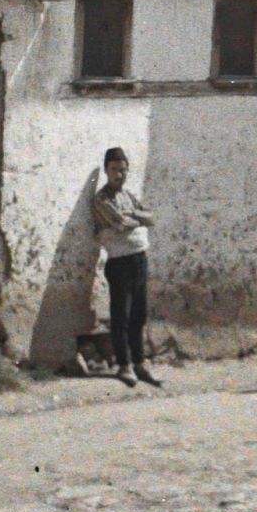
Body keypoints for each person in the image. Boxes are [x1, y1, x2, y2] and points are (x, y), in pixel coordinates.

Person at [92, 147, 161, 389]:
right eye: (114, 170)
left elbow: (151, 218)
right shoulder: (102, 199)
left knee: (139, 314)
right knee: (121, 315)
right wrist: (136, 219)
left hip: (139, 258)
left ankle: (139, 362)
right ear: (106, 171)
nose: (119, 175)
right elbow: (120, 224)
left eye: (122, 170)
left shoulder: (128, 196)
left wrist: (135, 215)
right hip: (119, 262)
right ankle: (124, 365)